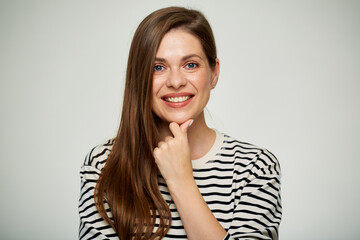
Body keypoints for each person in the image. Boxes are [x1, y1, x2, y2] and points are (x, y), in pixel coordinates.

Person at [78, 6, 282, 240]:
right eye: (158, 67)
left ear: (214, 73)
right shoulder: (103, 164)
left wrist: (181, 180)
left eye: (191, 65)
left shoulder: (255, 168)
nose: (175, 81)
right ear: (140, 77)